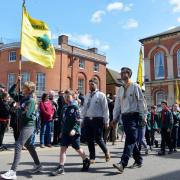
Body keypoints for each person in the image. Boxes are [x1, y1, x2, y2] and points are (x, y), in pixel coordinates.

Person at [1, 77, 42, 180]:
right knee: (29, 145)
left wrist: (18, 107)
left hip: (28, 125)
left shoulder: (31, 101)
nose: (22, 88)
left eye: (24, 87)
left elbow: (27, 115)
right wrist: (17, 82)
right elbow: (10, 92)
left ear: (28, 90)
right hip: (23, 125)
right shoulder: (23, 98)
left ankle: (13, 171)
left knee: (18, 144)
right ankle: (38, 165)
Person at [112, 67, 147, 174]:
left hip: (134, 116)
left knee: (130, 139)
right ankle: (138, 160)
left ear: (129, 74)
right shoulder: (121, 89)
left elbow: (141, 102)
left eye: (124, 72)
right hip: (125, 117)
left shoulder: (135, 86)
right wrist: (115, 118)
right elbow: (117, 105)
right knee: (131, 139)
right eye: (121, 72)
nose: (122, 74)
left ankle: (122, 163)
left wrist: (144, 116)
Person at [50, 90, 90, 176]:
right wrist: (61, 131)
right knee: (63, 149)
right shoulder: (64, 107)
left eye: (68, 97)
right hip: (65, 132)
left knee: (77, 148)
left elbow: (78, 120)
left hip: (74, 132)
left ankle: (86, 159)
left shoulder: (75, 107)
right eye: (65, 97)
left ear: (73, 96)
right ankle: (61, 167)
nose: (66, 98)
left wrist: (74, 129)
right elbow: (63, 121)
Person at [81, 78, 110, 164]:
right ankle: (92, 157)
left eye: (92, 84)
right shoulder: (87, 95)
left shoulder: (101, 95)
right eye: (89, 84)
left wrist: (106, 121)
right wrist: (82, 119)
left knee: (98, 139)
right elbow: (84, 108)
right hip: (87, 119)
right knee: (89, 140)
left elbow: (105, 109)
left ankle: (106, 151)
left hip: (98, 119)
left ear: (96, 84)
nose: (90, 86)